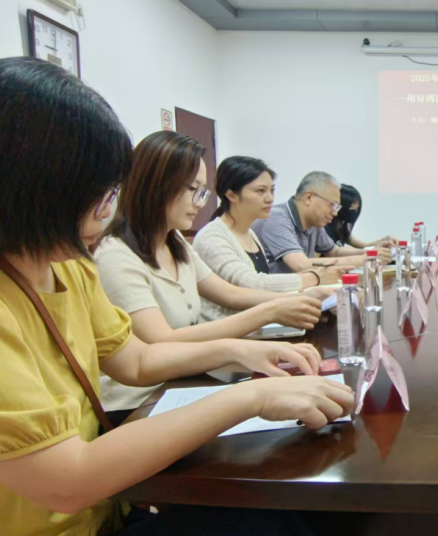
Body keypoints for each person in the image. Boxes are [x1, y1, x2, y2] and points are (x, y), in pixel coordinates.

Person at [0, 57, 354, 536]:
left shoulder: (68, 268)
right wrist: (252, 396)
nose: (106, 209)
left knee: (272, 528)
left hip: (95, 523)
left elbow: (136, 358)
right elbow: (66, 480)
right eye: (99, 192)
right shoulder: (82, 264)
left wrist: (242, 353)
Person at [95, 133, 328, 413]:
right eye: (193, 190)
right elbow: (162, 341)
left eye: (203, 192)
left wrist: (299, 298)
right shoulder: (115, 256)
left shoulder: (175, 242)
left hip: (183, 380)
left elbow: (230, 293)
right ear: (155, 185)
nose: (200, 202)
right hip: (138, 402)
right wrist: (270, 311)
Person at [194, 156, 347, 321]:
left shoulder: (250, 234)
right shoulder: (212, 236)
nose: (270, 198)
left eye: (271, 190)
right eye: (260, 191)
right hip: (226, 330)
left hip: (257, 325)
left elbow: (260, 290)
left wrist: (309, 294)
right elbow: (252, 283)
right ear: (232, 195)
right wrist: (314, 278)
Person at [253, 172, 391, 276]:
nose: (335, 213)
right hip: (274, 297)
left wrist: (372, 252)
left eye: (337, 207)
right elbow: (302, 265)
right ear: (309, 197)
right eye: (332, 205)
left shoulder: (314, 223)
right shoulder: (276, 219)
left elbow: (334, 251)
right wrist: (366, 259)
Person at [323, 184, 399, 250]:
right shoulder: (324, 228)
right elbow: (335, 253)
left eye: (357, 208)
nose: (354, 212)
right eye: (352, 208)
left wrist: (385, 239)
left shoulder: (342, 229)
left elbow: (365, 245)